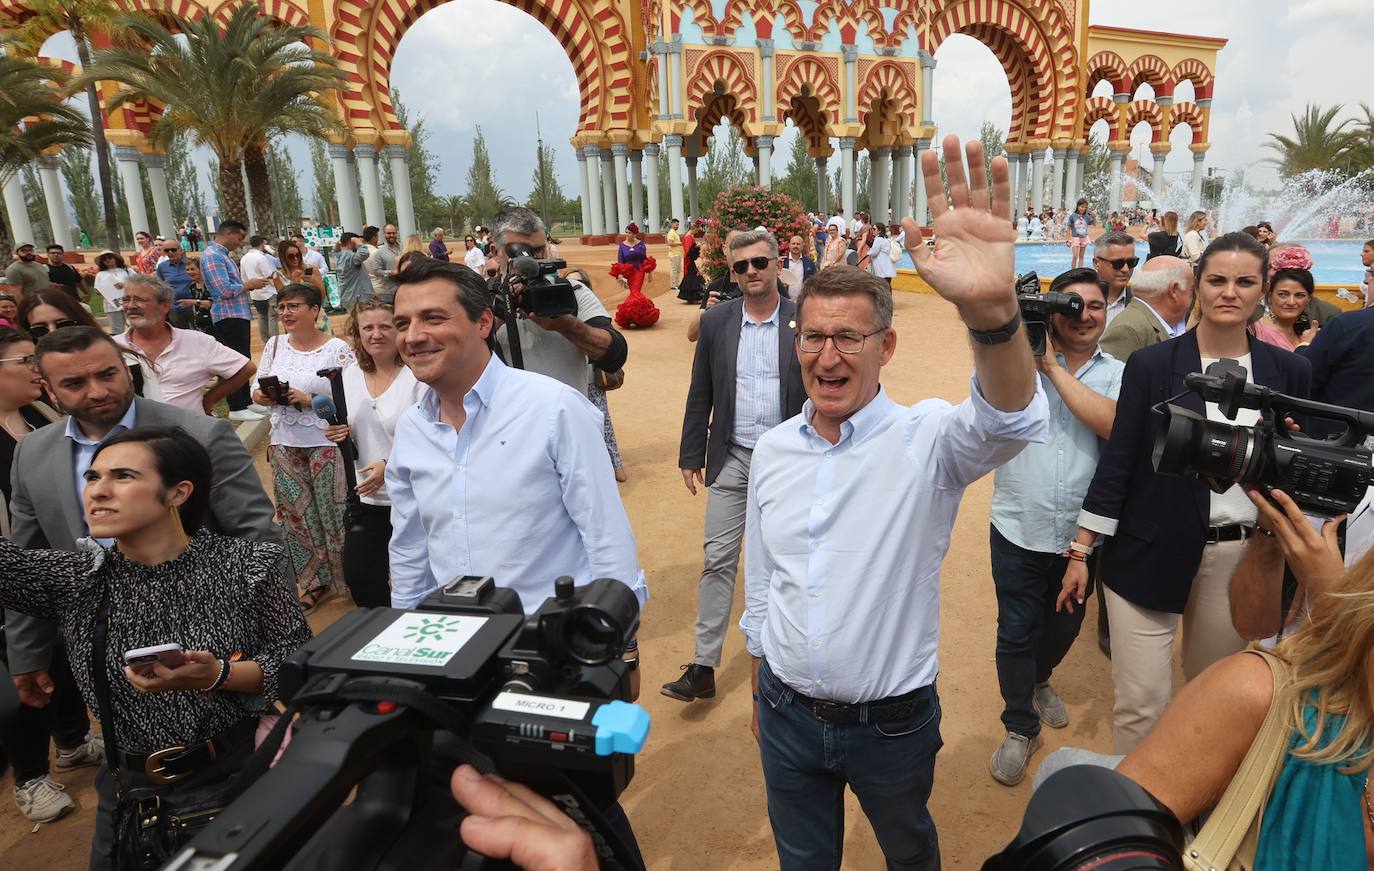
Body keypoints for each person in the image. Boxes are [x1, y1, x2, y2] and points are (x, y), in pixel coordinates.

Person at [744, 137, 1048, 870]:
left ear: (887, 345)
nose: (828, 355)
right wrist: (761, 678)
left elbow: (1010, 416)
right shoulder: (775, 448)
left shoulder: (928, 440)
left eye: (849, 336)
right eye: (813, 336)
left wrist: (994, 311)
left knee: (909, 853)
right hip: (785, 713)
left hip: (891, 726)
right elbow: (764, 574)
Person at [3, 327, 281, 827]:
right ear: (47, 388)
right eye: (75, 383)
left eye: (108, 374)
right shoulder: (34, 453)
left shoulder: (199, 434)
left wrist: (253, 650)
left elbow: (258, 539)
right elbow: (30, 556)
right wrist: (28, 655)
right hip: (104, 660)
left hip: (210, 646)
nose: (97, 391)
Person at [0, 425, 310, 868]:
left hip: (236, 777)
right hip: (129, 794)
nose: (99, 491)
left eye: (122, 476)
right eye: (92, 477)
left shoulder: (248, 565)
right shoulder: (76, 579)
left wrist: (218, 674)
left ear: (178, 492)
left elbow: (296, 658)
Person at [1059, 232, 1312, 755]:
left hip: (1237, 553)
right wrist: (1082, 548)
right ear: (1196, 284)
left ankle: (1194, 813)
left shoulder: (1289, 371)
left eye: (1244, 282)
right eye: (1217, 280)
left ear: (1262, 289)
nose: (1229, 292)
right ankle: (1138, 823)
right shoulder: (1154, 366)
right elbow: (1121, 457)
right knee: (1140, 702)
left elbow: (1298, 468)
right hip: (1149, 545)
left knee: (1208, 697)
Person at [1115, 491, 1372, 870]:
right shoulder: (1257, 693)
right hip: (1295, 720)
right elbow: (1252, 623)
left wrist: (1333, 599)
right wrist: (1268, 537)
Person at [386, 256, 647, 613]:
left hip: (548, 642)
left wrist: (611, 626)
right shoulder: (411, 428)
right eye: (402, 323)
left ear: (483, 322)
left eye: (433, 318)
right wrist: (407, 623)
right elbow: (410, 545)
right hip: (455, 642)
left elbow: (605, 536)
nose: (413, 336)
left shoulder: (555, 410)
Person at [986, 268, 1123, 786]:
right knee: (1016, 629)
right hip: (1019, 524)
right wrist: (1023, 348)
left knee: (1064, 627)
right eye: (1072, 304)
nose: (1084, 315)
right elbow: (989, 406)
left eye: (1096, 306)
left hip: (1082, 535)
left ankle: (1041, 678)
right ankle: (1019, 725)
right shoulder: (1016, 364)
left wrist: (1052, 369)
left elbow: (1115, 425)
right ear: (1052, 309)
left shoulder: (1122, 372)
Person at [665, 229, 807, 703]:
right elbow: (699, 389)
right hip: (732, 455)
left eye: (760, 263)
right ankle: (704, 665)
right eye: (741, 266)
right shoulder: (717, 322)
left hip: (789, 462)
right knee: (718, 559)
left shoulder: (801, 319)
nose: (751, 272)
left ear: (776, 263)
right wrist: (690, 453)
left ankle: (785, 663)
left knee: (791, 560)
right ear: (732, 271)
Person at [252, 283, 356, 613]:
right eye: (282, 307)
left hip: (327, 443)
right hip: (285, 442)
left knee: (334, 514)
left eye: (294, 306)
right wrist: (264, 395)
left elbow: (353, 395)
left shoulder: (337, 349)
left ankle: (351, 580)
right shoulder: (275, 344)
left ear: (315, 311)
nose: (286, 313)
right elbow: (255, 388)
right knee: (297, 517)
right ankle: (313, 583)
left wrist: (309, 400)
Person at [0, 326, 68, 822]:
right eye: (26, 359)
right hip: (12, 575)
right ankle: (30, 776)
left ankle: (71, 740)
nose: (36, 367)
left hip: (55, 566)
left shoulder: (35, 416)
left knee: (63, 655)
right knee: (26, 665)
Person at [321, 297, 425, 608]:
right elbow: (354, 428)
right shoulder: (349, 376)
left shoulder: (418, 377)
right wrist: (340, 433)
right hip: (365, 500)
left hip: (413, 499)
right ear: (357, 332)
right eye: (368, 327)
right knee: (362, 577)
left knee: (417, 584)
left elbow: (435, 437)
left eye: (385, 326)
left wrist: (389, 465)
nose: (376, 334)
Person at [488, 207, 629, 392]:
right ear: (496, 252)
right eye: (520, 253)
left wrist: (567, 325)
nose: (533, 260)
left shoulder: (573, 292)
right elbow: (460, 360)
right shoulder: (476, 298)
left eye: (539, 250)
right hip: (504, 418)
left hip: (565, 416)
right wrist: (497, 316)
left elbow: (615, 355)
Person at [113, 273, 256, 416]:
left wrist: (208, 400)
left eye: (139, 299)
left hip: (187, 433)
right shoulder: (112, 347)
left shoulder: (196, 342)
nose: (130, 306)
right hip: (134, 434)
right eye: (125, 300)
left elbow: (245, 369)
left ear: (164, 306)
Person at [202, 220, 272, 418]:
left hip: (236, 314)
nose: (241, 243)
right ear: (228, 233)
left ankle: (245, 402)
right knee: (233, 362)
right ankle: (236, 407)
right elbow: (222, 290)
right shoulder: (213, 256)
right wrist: (248, 285)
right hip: (227, 315)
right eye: (240, 238)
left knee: (242, 360)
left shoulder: (222, 255)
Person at [1099, 255, 1193, 363]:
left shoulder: (1171, 323)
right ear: (1174, 291)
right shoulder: (1128, 330)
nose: (1192, 299)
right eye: (1190, 292)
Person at [1251, 267, 1319, 351]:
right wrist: (1304, 345)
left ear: (1308, 299)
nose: (1291, 302)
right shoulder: (1255, 329)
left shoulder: (1306, 333)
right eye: (1282, 294)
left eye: (1299, 295)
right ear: (1269, 297)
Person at [611, 224, 659, 328]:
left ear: (634, 233)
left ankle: (639, 314)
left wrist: (649, 272)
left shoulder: (641, 244)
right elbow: (620, 261)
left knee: (635, 291)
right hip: (628, 273)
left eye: (630, 233)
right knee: (634, 293)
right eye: (626, 232)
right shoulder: (622, 246)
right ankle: (636, 315)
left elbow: (645, 259)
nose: (627, 235)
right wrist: (619, 275)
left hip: (639, 271)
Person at [1092, 230, 1138, 326]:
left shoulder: (1142, 303)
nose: (1125, 269)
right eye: (1118, 263)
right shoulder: (1078, 299)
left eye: (1131, 262)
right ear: (1097, 263)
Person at [272, 239, 327, 320]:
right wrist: (294, 283)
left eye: (298, 255)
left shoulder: (312, 269)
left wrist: (314, 282)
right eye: (291, 256)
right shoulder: (278, 276)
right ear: (283, 257)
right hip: (293, 319)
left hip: (315, 315)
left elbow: (322, 295)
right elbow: (284, 302)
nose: (295, 258)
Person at [240, 235, 278, 342]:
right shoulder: (262, 257)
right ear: (262, 243)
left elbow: (244, 277)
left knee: (262, 317)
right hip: (269, 291)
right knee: (272, 317)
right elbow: (268, 274)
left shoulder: (244, 258)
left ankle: (266, 341)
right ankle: (274, 341)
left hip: (255, 293)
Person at [155, 242, 195, 329]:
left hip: (194, 305)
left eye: (173, 249)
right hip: (174, 307)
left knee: (200, 333)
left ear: (180, 250)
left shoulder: (191, 264)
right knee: (180, 334)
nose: (170, 252)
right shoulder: (162, 267)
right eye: (167, 250)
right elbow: (161, 286)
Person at [333, 231, 373, 309]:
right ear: (351, 241)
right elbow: (364, 253)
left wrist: (338, 244)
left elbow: (335, 251)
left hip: (347, 296)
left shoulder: (338, 256)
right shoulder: (350, 256)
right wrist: (358, 242)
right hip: (358, 297)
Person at [179, 257, 215, 333]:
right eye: (187, 270)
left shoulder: (209, 284)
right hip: (199, 326)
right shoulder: (192, 286)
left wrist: (193, 302)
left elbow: (211, 303)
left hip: (213, 324)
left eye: (192, 269)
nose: (189, 272)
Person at [367, 223, 402, 301]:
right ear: (384, 234)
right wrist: (390, 272)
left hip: (407, 286)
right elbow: (377, 271)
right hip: (391, 290)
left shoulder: (404, 247)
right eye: (389, 233)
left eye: (393, 233)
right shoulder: (379, 253)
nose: (391, 235)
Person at [1066, 199, 1092, 269]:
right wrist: (1068, 240)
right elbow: (1068, 228)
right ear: (1078, 206)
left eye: (1085, 207)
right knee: (1075, 256)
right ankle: (1073, 271)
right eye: (1082, 206)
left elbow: (1093, 223)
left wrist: (1094, 216)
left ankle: (1080, 271)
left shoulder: (1086, 216)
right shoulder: (1073, 216)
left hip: (1084, 238)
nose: (1083, 208)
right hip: (1075, 238)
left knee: (1081, 256)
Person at [666, 218, 683, 293]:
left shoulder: (675, 232)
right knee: (674, 270)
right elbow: (669, 243)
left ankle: (677, 283)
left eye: (678, 224)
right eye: (676, 224)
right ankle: (673, 285)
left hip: (677, 253)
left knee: (678, 270)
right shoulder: (671, 233)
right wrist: (679, 243)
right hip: (673, 254)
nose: (677, 226)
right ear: (672, 224)